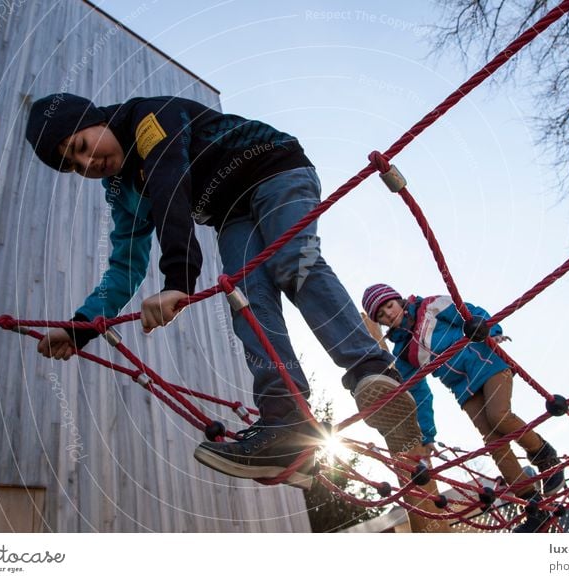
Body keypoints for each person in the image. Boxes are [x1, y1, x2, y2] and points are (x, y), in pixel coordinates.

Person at [24, 93, 421, 490]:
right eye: (75, 167)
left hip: (272, 166)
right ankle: (287, 425)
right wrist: (80, 329)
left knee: (292, 261)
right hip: (231, 214)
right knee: (245, 301)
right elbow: (125, 264)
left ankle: (370, 371)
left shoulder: (146, 118)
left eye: (81, 147)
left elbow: (168, 176)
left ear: (95, 119)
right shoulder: (121, 189)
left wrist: (178, 280)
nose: (88, 163)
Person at [361, 283, 565, 532]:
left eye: (389, 306)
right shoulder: (403, 351)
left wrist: (492, 331)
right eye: (381, 316)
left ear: (399, 300)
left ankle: (544, 454)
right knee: (493, 442)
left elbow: (470, 313)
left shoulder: (430, 307)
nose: (388, 315)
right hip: (464, 389)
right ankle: (533, 506)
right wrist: (427, 436)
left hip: (487, 364)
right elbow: (419, 393)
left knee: (498, 416)